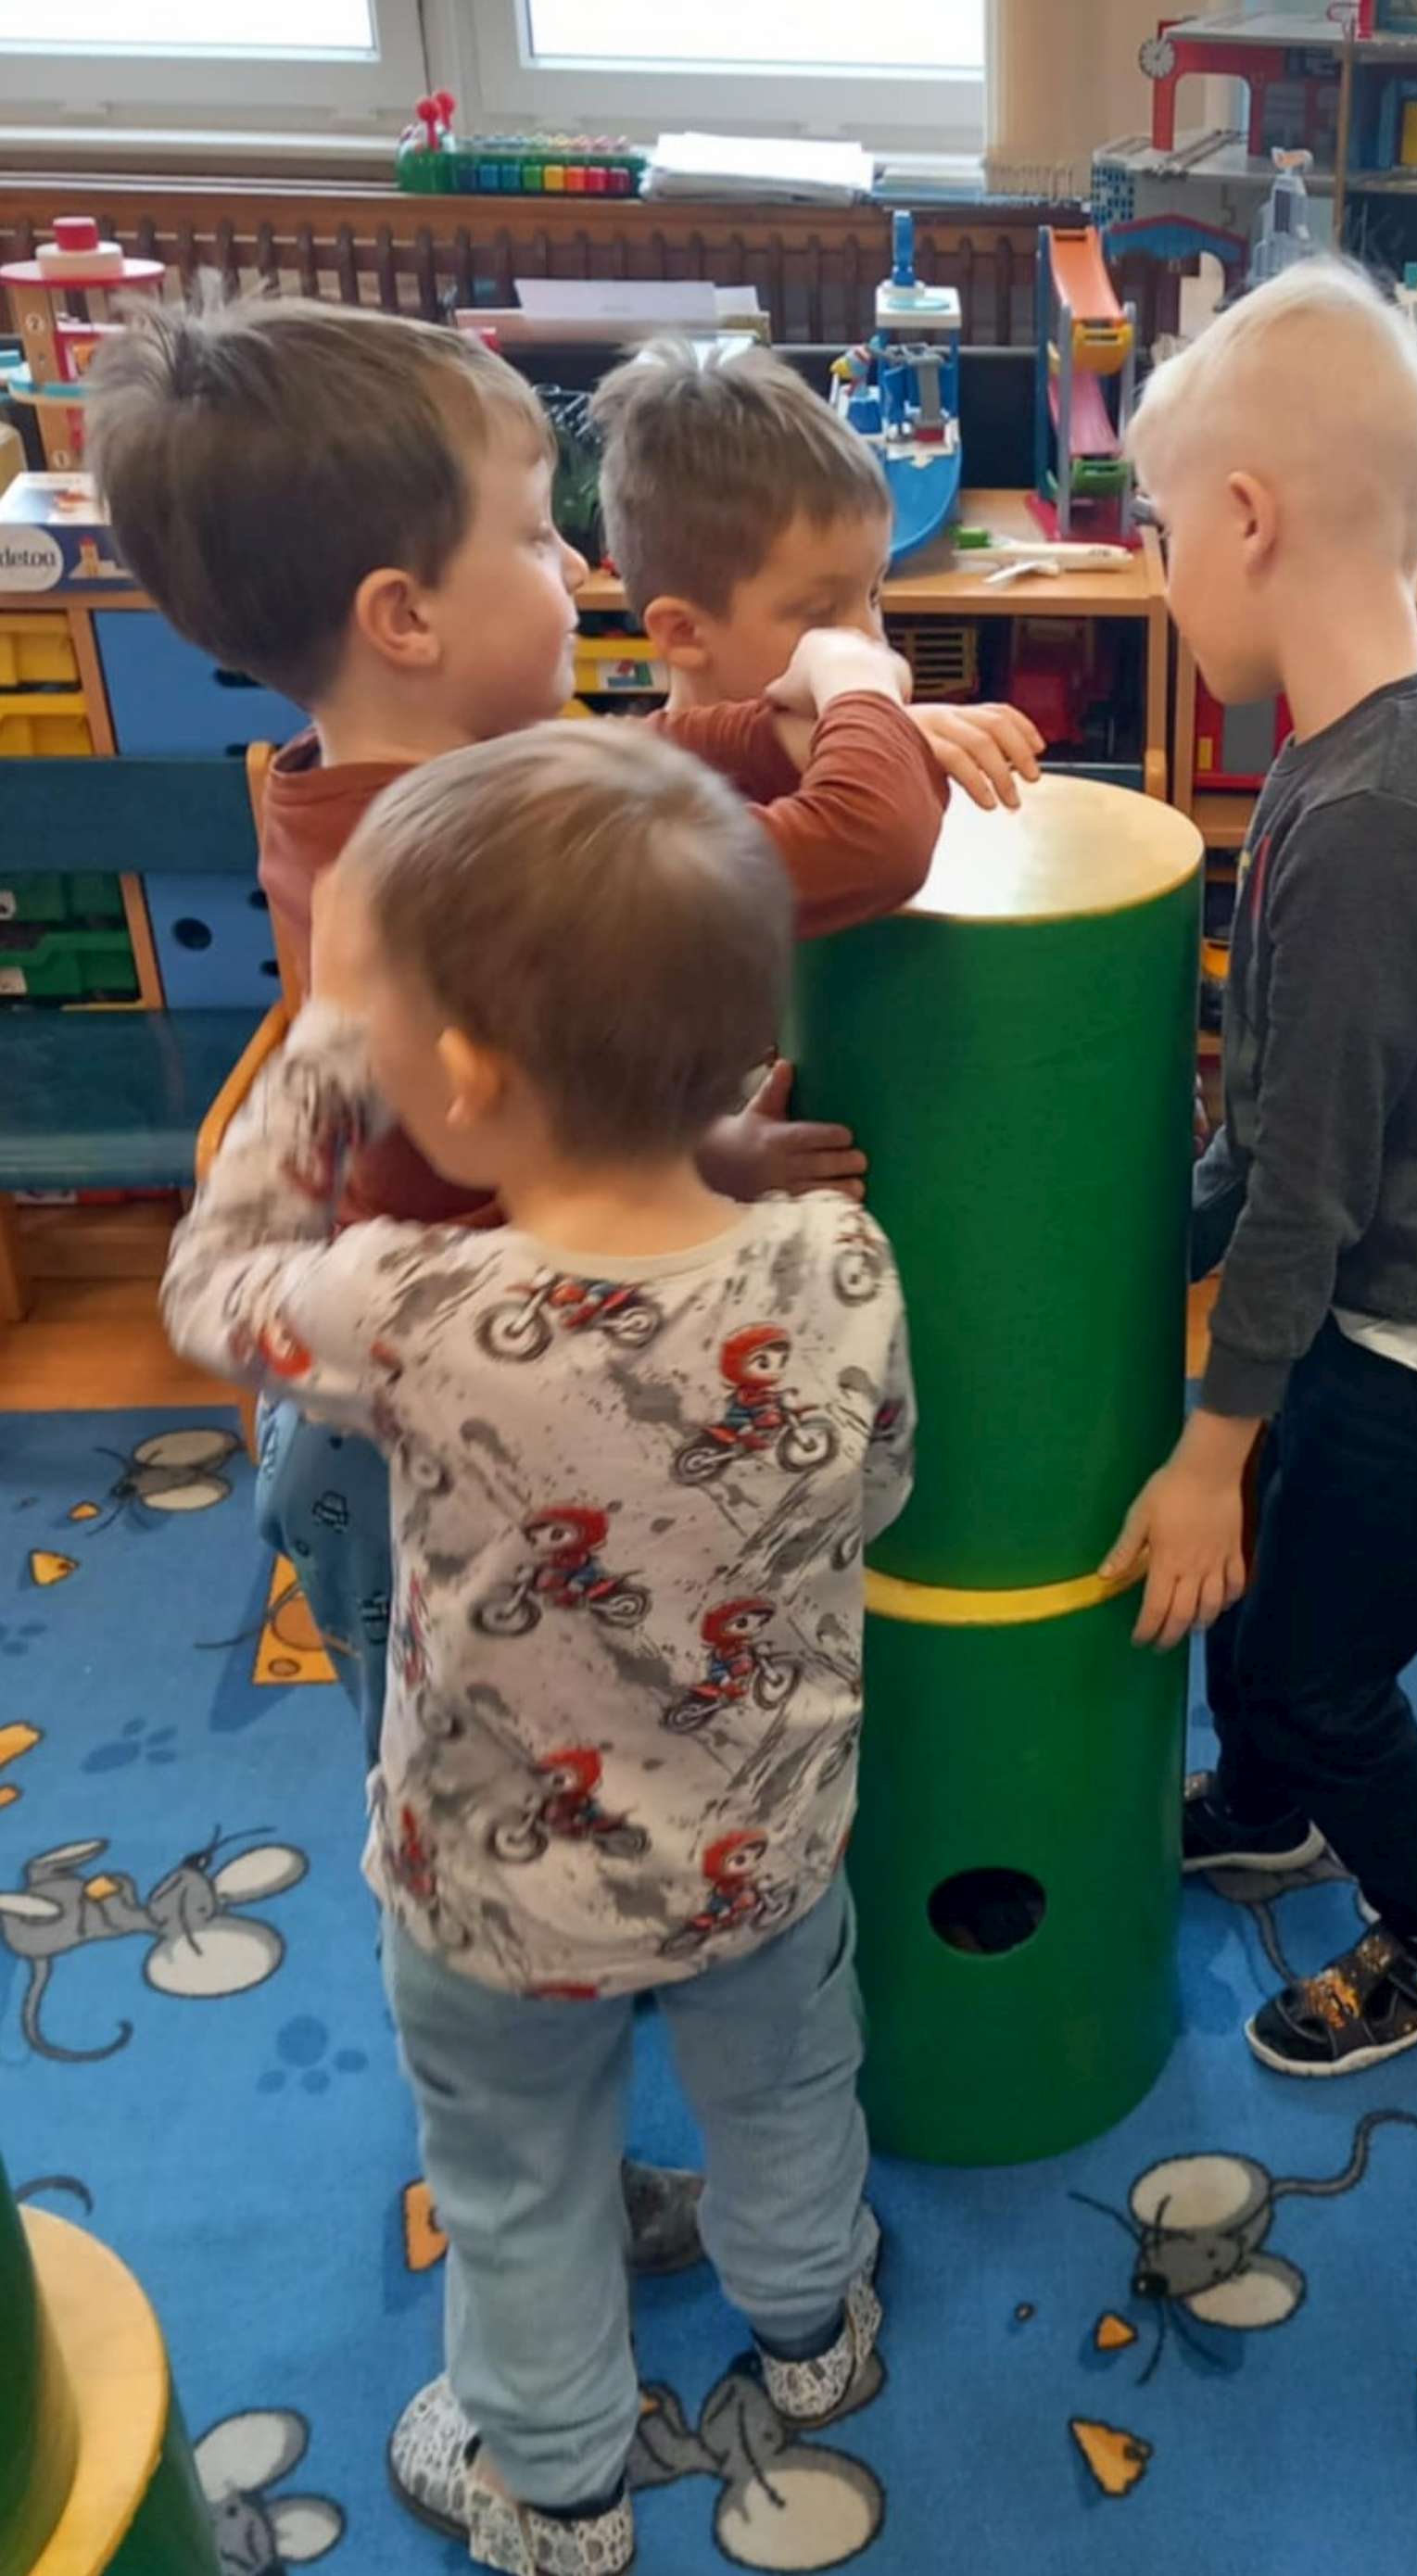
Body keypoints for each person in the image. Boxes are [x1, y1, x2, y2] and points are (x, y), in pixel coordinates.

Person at [84, 293, 946, 2274]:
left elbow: (637, 767)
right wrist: (850, 682)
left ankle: (586, 2063)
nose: (578, 572)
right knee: (489, 1844)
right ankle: (575, 2146)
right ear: (404, 614)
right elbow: (857, 835)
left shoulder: (445, 782)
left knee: (551, 1783)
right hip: (415, 1410)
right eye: (537, 535)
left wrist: (703, 1145)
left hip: (481, 1357)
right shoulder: (455, 859)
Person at [161, 723, 913, 2575]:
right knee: (787, 2098)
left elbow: (204, 1289)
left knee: (513, 2180)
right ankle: (815, 2336)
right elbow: (878, 1486)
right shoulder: (834, 1261)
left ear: (467, 1080)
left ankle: (560, 2489)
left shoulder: (408, 1302)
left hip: (491, 1894)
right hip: (762, 1849)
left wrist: (324, 1052)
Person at [1105, 259, 1417, 2077]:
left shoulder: (1375, 814)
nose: (1162, 575)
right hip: (1393, 1280)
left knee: (1323, 1665)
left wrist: (1203, 1452)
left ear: (1245, 520)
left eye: (1162, 533)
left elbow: (1305, 1190)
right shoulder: (1364, 742)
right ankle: (1263, 1806)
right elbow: (1281, 1135)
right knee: (1277, 1590)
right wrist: (1142, 1246)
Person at [589, 335, 1045, 807]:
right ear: (685, 633)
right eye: (820, 614)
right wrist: (883, 749)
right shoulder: (657, 822)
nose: (870, 640)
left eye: (873, 595)